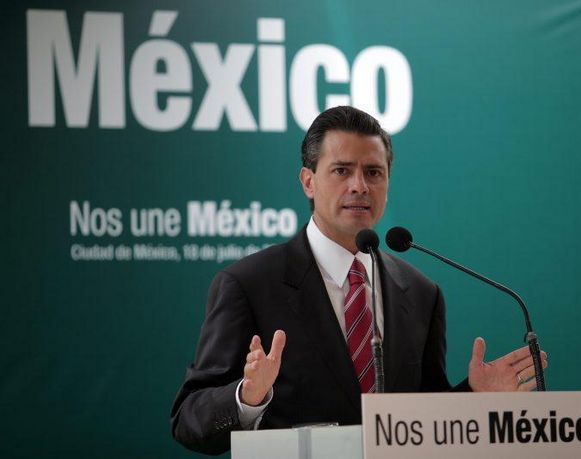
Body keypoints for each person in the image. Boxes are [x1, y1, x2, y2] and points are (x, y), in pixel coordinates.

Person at [170, 106, 547, 456]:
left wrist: (475, 395)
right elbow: (188, 419)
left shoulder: (421, 293)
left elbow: (425, 420)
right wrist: (246, 398)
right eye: (341, 170)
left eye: (373, 172)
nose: (360, 186)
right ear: (308, 181)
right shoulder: (249, 284)